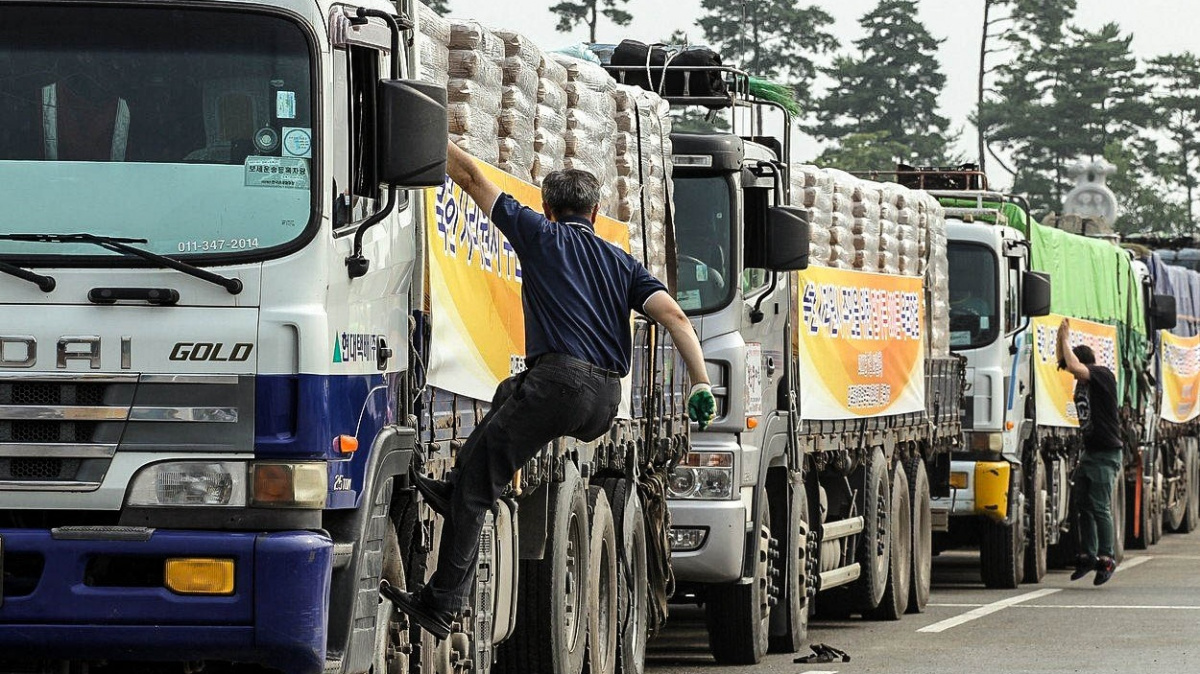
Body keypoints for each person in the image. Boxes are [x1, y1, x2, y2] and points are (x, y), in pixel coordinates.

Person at [380, 140, 716, 639]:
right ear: (597, 212)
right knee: (510, 392)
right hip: (603, 400)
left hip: (560, 382)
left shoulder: (540, 235)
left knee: (480, 486)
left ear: (546, 207)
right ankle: (454, 490)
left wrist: (428, 125)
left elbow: (471, 178)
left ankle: (442, 603)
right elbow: (675, 316)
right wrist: (700, 383)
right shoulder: (621, 263)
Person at [1057, 318, 1123, 586]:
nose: (1072, 375)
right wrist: (1060, 344)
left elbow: (1074, 364)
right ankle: (1089, 554)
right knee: (1081, 504)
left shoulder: (1102, 375)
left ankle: (1107, 558)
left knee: (1099, 507)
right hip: (1091, 453)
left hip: (1107, 454)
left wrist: (1065, 337)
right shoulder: (1082, 384)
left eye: (1074, 372)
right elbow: (1068, 362)